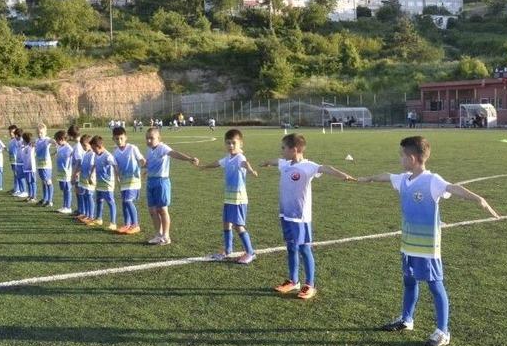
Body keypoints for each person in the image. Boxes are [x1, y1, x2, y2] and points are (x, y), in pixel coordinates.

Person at [358, 136, 499, 346]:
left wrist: (479, 199)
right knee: (409, 281)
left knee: (435, 285)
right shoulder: (404, 179)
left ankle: (443, 331)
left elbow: (453, 188)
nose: (400, 159)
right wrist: (368, 178)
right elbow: (388, 176)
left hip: (427, 247)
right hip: (408, 243)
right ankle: (407, 320)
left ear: (412, 158)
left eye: (402, 156)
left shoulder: (432, 181)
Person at [261, 133, 355, 299]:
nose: (281, 151)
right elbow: (276, 160)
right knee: (290, 247)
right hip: (286, 214)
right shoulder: (285, 163)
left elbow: (325, 168)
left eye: (284, 148)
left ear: (294, 149)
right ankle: (293, 280)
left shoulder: (308, 166)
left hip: (300, 217)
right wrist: (267, 162)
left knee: (304, 248)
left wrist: (343, 175)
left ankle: (310, 284)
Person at [199, 129, 259, 264]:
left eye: (233, 143)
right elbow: (217, 163)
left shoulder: (239, 158)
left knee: (238, 225)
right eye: (228, 143)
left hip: (238, 199)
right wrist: (205, 166)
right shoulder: (228, 158)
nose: (231, 146)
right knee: (226, 223)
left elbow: (245, 163)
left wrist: (250, 170)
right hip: (229, 197)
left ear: (240, 144)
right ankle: (227, 250)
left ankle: (250, 252)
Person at [144, 127, 199, 245]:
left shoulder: (162, 147)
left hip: (161, 182)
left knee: (162, 209)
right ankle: (158, 235)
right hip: (150, 182)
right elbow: (149, 163)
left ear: (159, 138)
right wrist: (145, 169)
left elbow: (174, 153)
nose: (148, 141)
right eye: (147, 138)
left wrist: (189, 158)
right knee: (152, 210)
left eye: (151, 138)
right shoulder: (149, 150)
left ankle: (166, 235)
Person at [112, 126, 146, 234]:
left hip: (133, 179)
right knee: (124, 202)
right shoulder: (115, 152)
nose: (119, 141)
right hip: (123, 181)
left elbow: (141, 159)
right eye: (117, 138)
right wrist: (117, 179)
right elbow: (116, 168)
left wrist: (143, 163)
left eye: (121, 138)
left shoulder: (132, 148)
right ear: (113, 139)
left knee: (128, 201)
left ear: (126, 137)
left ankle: (135, 225)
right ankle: (127, 224)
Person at [90, 136, 119, 230]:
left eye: (94, 149)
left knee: (110, 202)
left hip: (107, 183)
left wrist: (117, 176)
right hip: (99, 182)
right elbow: (94, 165)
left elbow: (115, 165)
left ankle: (113, 223)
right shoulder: (96, 155)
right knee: (99, 200)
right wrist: (91, 175)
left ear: (99, 146)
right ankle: (98, 219)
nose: (93, 151)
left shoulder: (108, 156)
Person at [74, 134, 96, 223]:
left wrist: (90, 177)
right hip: (84, 179)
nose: (83, 147)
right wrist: (78, 173)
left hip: (90, 179)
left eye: (85, 145)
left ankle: (91, 216)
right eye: (82, 145)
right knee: (86, 196)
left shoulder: (92, 154)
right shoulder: (86, 153)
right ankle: (86, 214)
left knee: (89, 196)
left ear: (90, 144)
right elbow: (83, 165)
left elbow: (92, 167)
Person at [53, 130, 74, 214]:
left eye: (57, 140)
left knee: (67, 189)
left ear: (61, 139)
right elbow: (58, 152)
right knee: (63, 189)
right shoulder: (59, 147)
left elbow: (73, 160)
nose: (56, 142)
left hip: (67, 173)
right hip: (60, 172)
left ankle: (68, 207)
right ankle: (64, 206)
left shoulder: (69, 149)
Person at [35, 123, 55, 207]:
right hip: (39, 164)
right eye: (38, 133)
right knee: (43, 182)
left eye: (41, 133)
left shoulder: (47, 139)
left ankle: (50, 201)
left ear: (45, 132)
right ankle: (45, 198)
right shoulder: (37, 140)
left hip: (46, 165)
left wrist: (55, 142)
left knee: (48, 181)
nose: (40, 134)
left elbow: (53, 141)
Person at [20, 131, 38, 204]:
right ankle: (30, 196)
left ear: (25, 140)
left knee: (32, 182)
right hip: (26, 168)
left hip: (31, 168)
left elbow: (36, 144)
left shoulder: (32, 147)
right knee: (28, 182)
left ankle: (34, 196)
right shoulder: (25, 147)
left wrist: (32, 143)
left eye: (23, 139)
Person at [5, 125, 21, 194]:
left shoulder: (17, 141)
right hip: (12, 160)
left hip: (16, 161)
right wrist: (7, 150)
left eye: (12, 132)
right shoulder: (11, 141)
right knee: (15, 174)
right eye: (10, 132)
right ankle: (15, 188)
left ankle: (18, 189)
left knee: (17, 174)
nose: (11, 133)